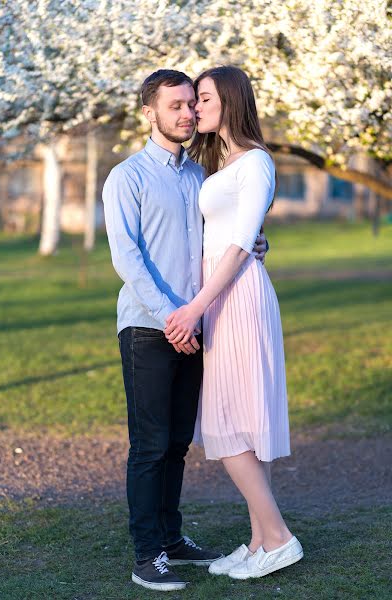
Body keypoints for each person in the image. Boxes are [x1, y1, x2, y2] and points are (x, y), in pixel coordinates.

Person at [102, 69, 268, 592]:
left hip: (194, 325)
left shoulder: (198, 176)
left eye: (190, 105)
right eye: (174, 106)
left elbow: (225, 238)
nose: (187, 114)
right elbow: (128, 260)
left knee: (177, 444)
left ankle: (173, 539)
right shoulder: (125, 177)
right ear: (149, 113)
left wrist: (257, 246)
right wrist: (172, 318)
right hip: (150, 329)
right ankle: (147, 554)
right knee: (149, 446)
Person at [164, 66, 304, 580]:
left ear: (229, 100)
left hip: (236, 298)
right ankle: (259, 541)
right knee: (239, 421)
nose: (194, 108)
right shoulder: (221, 162)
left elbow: (242, 242)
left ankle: (281, 537)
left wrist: (196, 306)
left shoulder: (256, 162)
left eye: (202, 98)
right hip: (221, 295)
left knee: (228, 422)